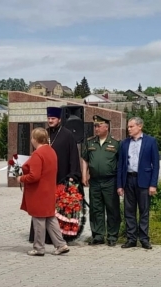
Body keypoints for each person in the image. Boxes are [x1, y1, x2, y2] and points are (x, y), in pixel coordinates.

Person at [29, 106, 82, 243]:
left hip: (61, 176)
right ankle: (42, 237)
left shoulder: (67, 134)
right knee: (43, 206)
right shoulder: (44, 135)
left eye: (53, 118)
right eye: (48, 118)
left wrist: (73, 174)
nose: (50, 121)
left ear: (59, 119)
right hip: (44, 178)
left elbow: (73, 156)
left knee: (58, 209)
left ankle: (59, 237)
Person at [17, 127, 69, 256]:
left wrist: (21, 178)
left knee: (39, 219)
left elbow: (34, 176)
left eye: (32, 138)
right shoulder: (51, 151)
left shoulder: (38, 154)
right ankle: (61, 244)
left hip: (38, 192)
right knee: (51, 218)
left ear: (35, 139)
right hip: (49, 190)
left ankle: (39, 247)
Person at [117, 117, 160, 250]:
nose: (128, 129)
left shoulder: (151, 141)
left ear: (139, 126)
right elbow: (120, 165)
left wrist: (153, 184)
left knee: (144, 211)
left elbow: (155, 165)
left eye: (131, 127)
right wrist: (119, 185)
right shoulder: (124, 143)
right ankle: (131, 239)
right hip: (128, 179)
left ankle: (144, 239)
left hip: (144, 181)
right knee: (129, 211)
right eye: (128, 127)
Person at [82, 115, 121, 246]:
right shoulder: (90, 142)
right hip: (94, 181)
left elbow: (120, 163)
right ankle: (98, 235)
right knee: (95, 208)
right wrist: (84, 175)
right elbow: (85, 159)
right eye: (95, 126)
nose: (96, 128)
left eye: (98, 126)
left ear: (106, 127)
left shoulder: (115, 143)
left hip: (110, 181)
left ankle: (112, 236)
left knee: (112, 208)